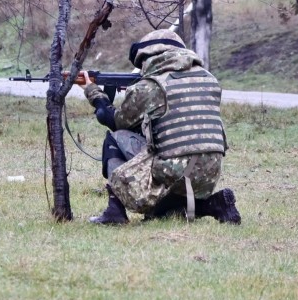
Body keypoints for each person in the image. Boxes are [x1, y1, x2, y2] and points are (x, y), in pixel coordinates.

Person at [77, 29, 240, 225]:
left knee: (114, 138)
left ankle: (115, 211)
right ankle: (214, 203)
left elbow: (114, 120)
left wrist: (93, 92)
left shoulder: (150, 86)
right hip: (209, 172)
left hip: (175, 171)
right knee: (164, 211)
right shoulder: (209, 80)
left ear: (149, 56)